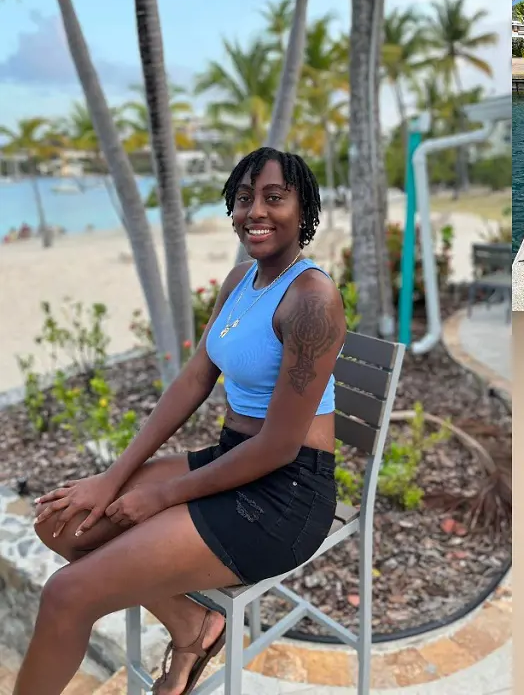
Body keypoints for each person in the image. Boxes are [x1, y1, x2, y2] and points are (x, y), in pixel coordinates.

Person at [21, 148, 347, 695]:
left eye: (274, 198)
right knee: (61, 525)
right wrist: (116, 474)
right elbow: (195, 380)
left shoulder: (313, 300)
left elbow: (279, 447)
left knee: (66, 594)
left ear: (303, 208)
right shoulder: (242, 279)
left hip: (284, 498)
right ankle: (193, 625)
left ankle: (193, 629)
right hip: (229, 463)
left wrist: (161, 496)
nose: (255, 212)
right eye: (244, 199)